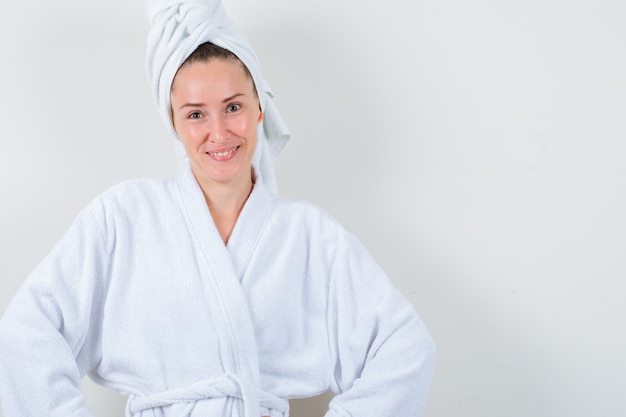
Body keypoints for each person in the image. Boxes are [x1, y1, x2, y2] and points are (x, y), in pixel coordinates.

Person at [0, 0, 436, 416]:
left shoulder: (309, 236)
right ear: (173, 121)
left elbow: (404, 347)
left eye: (233, 107)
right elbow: (26, 333)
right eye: (195, 114)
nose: (219, 132)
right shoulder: (122, 218)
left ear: (260, 108)